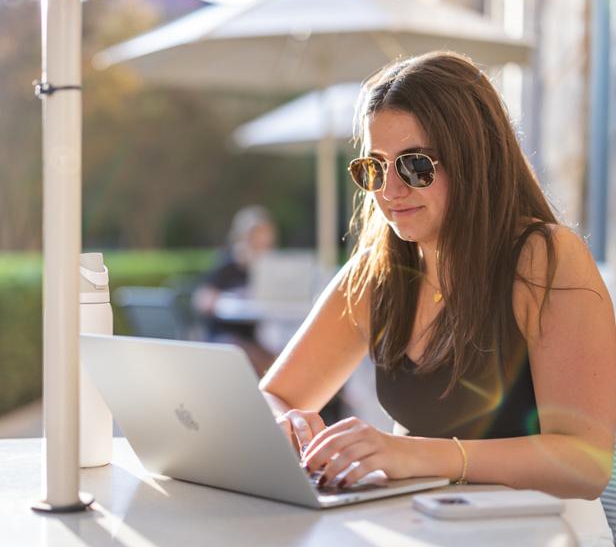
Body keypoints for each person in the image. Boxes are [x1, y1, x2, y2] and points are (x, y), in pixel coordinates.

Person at [260, 51, 616, 500]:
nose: (390, 191)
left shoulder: (543, 258)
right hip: (420, 528)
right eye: (375, 167)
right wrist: (284, 424)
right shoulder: (379, 271)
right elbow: (277, 395)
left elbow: (584, 462)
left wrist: (414, 454)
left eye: (415, 165)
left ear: (475, 160)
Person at [193, 205, 278, 375]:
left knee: (283, 362)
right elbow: (202, 300)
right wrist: (225, 301)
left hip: (251, 338)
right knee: (264, 365)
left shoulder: (267, 269)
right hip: (224, 339)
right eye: (255, 236)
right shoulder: (226, 265)